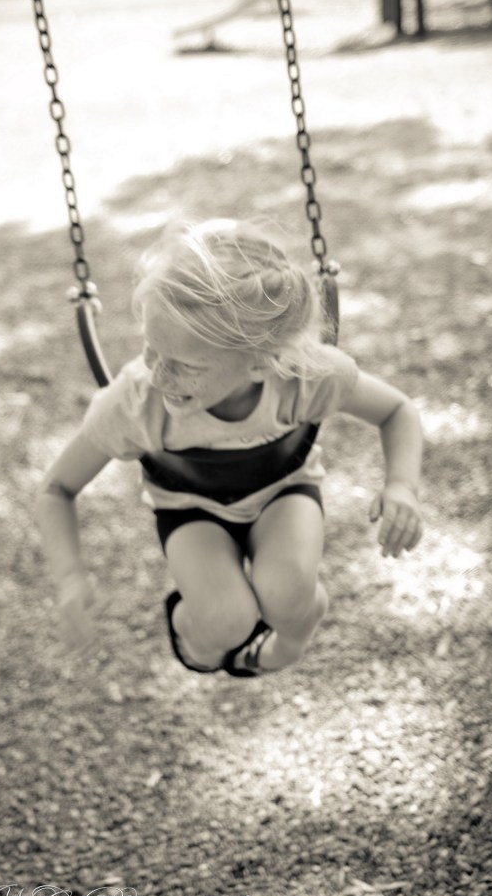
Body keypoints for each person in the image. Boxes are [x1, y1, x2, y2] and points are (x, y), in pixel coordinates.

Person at [36, 218, 424, 676]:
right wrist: (70, 577)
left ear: (262, 364)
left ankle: (293, 631)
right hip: (191, 508)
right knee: (224, 624)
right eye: (150, 348)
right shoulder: (135, 402)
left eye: (185, 365)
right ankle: (201, 630)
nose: (158, 374)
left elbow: (397, 411)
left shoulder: (305, 377)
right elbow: (57, 487)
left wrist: (401, 486)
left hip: (283, 492)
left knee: (288, 594)